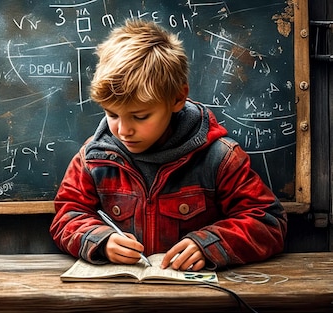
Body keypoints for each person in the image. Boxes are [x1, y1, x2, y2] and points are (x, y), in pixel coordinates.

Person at [49, 19, 287, 271]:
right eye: (112, 114)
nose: (122, 130)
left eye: (140, 117)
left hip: (197, 301)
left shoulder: (220, 157)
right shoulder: (93, 158)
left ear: (177, 98)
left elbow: (268, 221)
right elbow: (67, 214)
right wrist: (101, 240)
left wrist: (208, 244)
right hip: (119, 299)